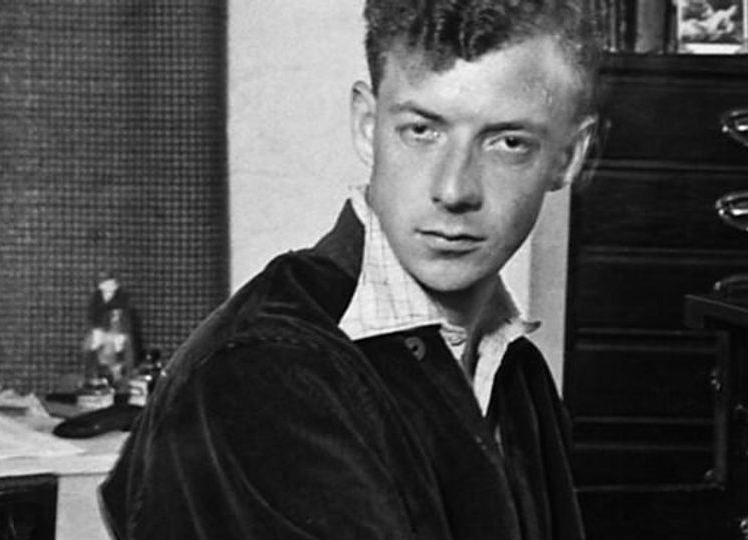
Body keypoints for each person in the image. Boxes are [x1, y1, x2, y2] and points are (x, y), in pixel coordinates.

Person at [99, 0, 602, 538]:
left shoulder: (516, 369)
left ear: (568, 158)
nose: (454, 189)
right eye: (422, 131)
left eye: (508, 143)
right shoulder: (263, 371)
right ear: (367, 124)